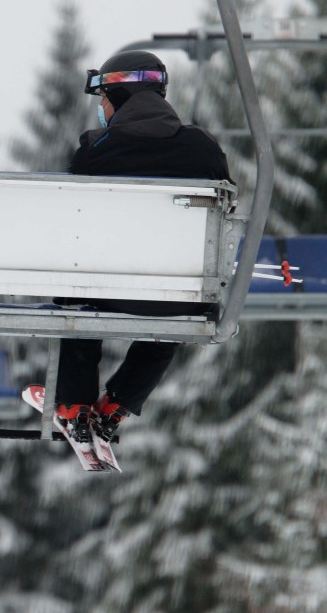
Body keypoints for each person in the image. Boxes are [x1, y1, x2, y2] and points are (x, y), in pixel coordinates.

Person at [53, 49, 232, 446]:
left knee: (75, 295)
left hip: (106, 291)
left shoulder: (95, 149)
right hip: (181, 295)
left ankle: (74, 404)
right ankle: (118, 403)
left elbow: (71, 214)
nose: (102, 108)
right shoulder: (203, 148)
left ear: (119, 97)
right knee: (181, 301)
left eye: (103, 99)